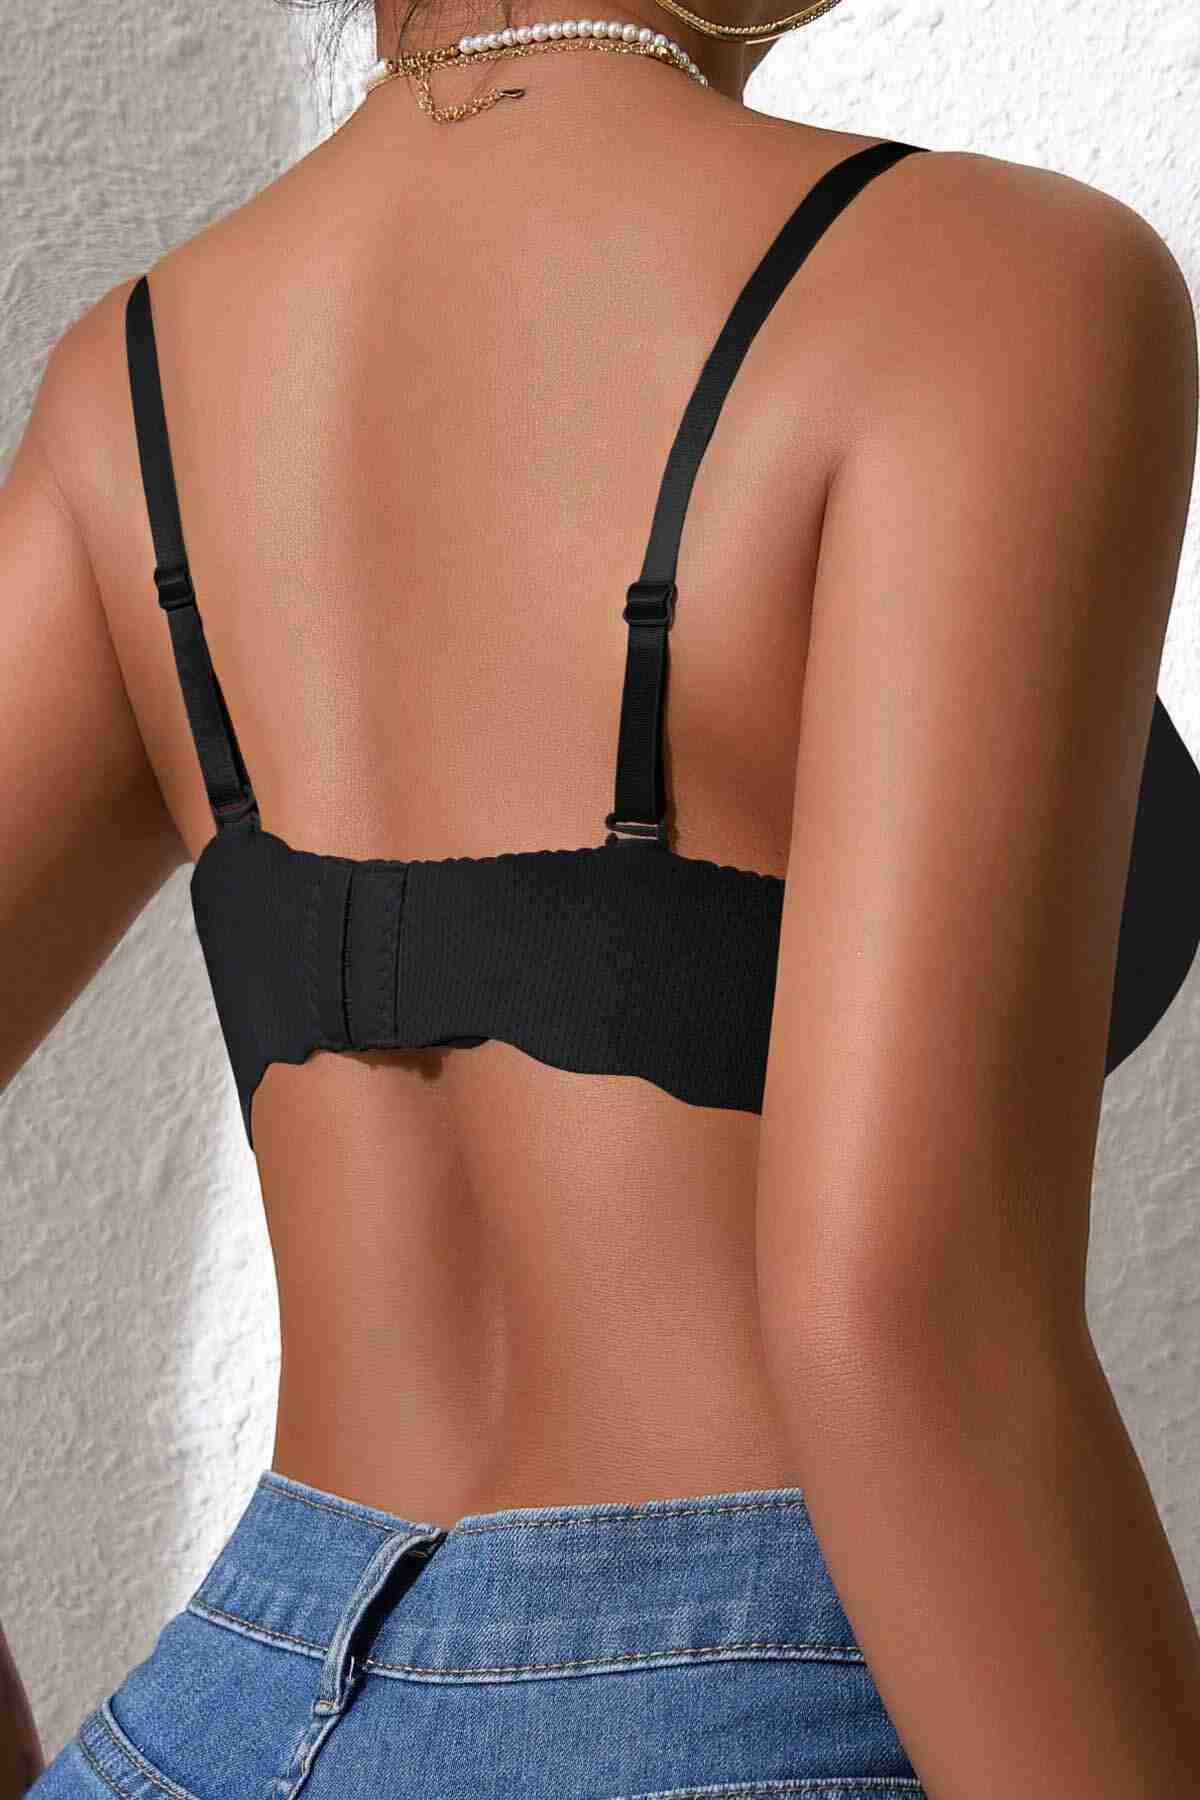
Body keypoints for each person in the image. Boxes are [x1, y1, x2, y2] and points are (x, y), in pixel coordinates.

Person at [3, 0, 1199, 1794]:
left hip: (217, 1720)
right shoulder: (995, 283)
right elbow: (899, 1315)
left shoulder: (135, 374)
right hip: (760, 1702)